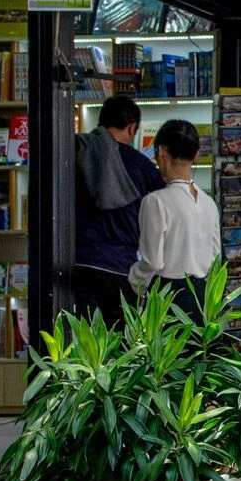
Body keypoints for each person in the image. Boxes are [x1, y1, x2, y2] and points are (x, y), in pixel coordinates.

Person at [73, 95, 160, 322]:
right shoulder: (142, 165)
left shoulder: (77, 153)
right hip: (122, 266)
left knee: (84, 345)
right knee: (121, 347)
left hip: (80, 262)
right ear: (131, 127)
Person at [129, 119, 218, 314]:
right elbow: (215, 257)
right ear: (196, 155)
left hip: (167, 297)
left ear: (160, 152)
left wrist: (135, 281)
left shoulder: (155, 201)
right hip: (202, 298)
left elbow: (152, 261)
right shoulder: (209, 203)